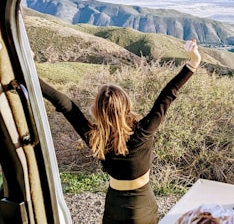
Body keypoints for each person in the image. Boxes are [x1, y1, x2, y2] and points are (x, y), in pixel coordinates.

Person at [38, 40, 201, 224]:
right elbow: (167, 95)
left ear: (97, 110)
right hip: (142, 207)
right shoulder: (142, 131)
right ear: (126, 105)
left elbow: (65, 105)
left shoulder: (95, 138)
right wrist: (193, 63)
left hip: (114, 205)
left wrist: (28, 75)